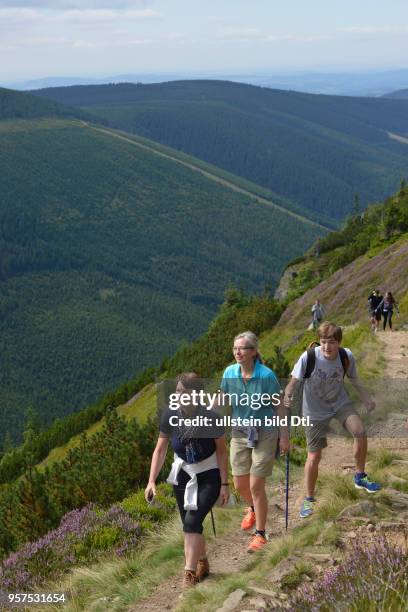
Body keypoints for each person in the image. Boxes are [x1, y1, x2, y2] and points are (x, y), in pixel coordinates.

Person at [284, 322, 381, 519]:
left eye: (332, 342)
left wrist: (366, 398)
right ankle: (309, 499)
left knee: (360, 432)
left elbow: (354, 379)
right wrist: (288, 395)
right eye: (323, 342)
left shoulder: (346, 356)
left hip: (340, 403)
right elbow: (292, 382)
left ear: (339, 342)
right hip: (314, 411)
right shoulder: (309, 357)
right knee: (314, 457)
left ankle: (360, 476)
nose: (327, 347)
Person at [145, 373, 229, 588]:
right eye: (178, 390)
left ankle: (188, 574)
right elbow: (160, 449)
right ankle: (202, 562)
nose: (179, 394)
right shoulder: (170, 416)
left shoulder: (212, 419)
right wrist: (151, 481)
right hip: (182, 474)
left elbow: (221, 452)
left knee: (191, 522)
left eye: (184, 391)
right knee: (190, 524)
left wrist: (224, 484)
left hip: (208, 475)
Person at [221, 331, 289, 553]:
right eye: (234, 348)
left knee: (255, 484)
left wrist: (284, 436)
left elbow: (279, 406)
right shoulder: (229, 373)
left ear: (253, 352)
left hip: (265, 433)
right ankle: (252, 508)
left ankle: (260, 534)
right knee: (240, 484)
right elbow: (223, 400)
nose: (237, 352)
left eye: (242, 348)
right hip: (240, 432)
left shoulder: (267, 376)